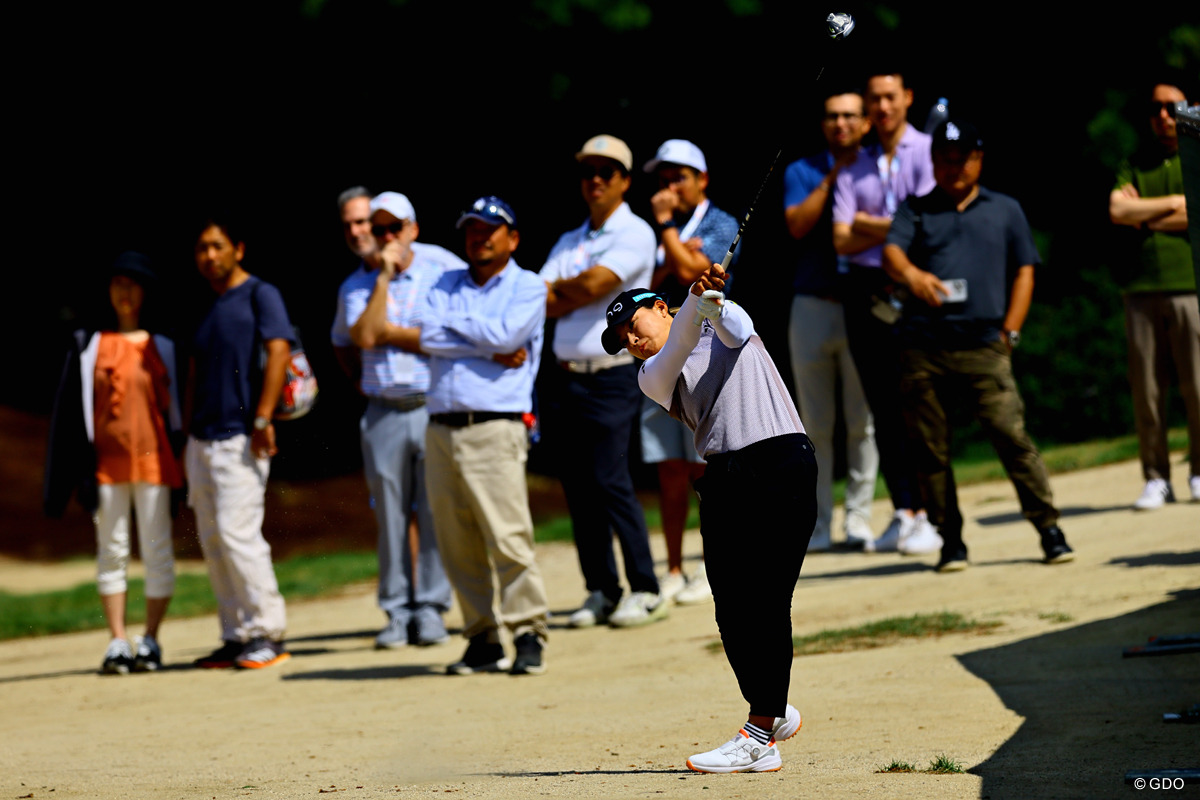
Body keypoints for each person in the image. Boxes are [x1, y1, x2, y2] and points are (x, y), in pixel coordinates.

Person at [599, 265, 814, 774]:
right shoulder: (652, 375)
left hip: (781, 461)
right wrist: (695, 304)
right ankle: (772, 710)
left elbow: (736, 328)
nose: (631, 340)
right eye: (622, 339)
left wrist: (709, 300)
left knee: (765, 600)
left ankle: (760, 731)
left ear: (659, 307)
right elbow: (673, 350)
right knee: (730, 609)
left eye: (634, 324)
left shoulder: (726, 324)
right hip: (724, 477)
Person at [882, 119, 1074, 572]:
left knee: (1011, 436)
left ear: (979, 159)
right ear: (932, 162)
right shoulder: (915, 209)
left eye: (963, 158)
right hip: (924, 347)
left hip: (986, 344)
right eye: (945, 159)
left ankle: (1049, 528)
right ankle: (951, 541)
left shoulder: (1004, 209)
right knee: (931, 450)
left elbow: (1025, 269)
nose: (954, 167)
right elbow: (892, 253)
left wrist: (1011, 329)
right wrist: (913, 276)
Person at [420, 196, 552, 676]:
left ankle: (528, 632)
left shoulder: (529, 285)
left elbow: (508, 337)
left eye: (490, 228)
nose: (480, 236)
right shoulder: (444, 281)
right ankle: (482, 637)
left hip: (495, 426)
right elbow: (426, 335)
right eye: (472, 229)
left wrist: (476, 338)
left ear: (512, 238)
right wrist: (489, 345)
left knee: (507, 535)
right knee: (456, 541)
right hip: (440, 428)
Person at [540, 134, 665, 628]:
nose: (594, 180)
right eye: (587, 171)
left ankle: (645, 587)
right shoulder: (570, 239)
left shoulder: (635, 232)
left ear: (624, 181)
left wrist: (568, 291)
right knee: (578, 486)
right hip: (568, 376)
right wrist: (572, 290)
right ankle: (601, 589)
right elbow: (540, 297)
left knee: (611, 480)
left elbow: (592, 286)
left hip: (612, 377)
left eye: (605, 172)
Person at [331, 191, 460, 648]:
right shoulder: (357, 285)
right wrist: (383, 276)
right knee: (388, 517)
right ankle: (395, 612)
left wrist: (395, 336)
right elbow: (361, 337)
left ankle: (430, 609)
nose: (384, 237)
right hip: (382, 410)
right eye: (377, 229)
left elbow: (445, 339)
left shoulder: (442, 268)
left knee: (433, 513)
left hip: (430, 404)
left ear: (412, 229)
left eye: (392, 228)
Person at [44, 252, 182, 674]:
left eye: (133, 283)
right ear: (108, 291)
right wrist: (73, 472)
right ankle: (118, 639)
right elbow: (73, 413)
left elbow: (176, 413)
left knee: (158, 549)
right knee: (112, 551)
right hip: (105, 465)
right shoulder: (90, 345)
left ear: (145, 292)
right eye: (118, 283)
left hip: (155, 464)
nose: (125, 292)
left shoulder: (164, 345)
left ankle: (151, 639)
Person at [831, 69, 941, 555]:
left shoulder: (928, 150)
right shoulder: (855, 163)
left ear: (907, 98)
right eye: (873, 99)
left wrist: (868, 224)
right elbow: (839, 237)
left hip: (912, 285)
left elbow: (927, 226)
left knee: (918, 401)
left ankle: (933, 512)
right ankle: (904, 510)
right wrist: (896, 225)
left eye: (889, 97)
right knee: (881, 404)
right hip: (863, 290)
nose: (881, 107)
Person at [187, 217, 291, 669]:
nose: (209, 256)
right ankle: (235, 633)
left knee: (238, 534)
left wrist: (265, 417)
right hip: (202, 437)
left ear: (238, 249)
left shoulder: (259, 294)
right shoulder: (208, 305)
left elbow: (280, 350)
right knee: (213, 538)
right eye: (202, 249)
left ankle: (267, 630)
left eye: (217, 246)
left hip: (241, 437)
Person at [641, 139, 740, 604]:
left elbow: (694, 275)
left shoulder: (719, 222)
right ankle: (675, 567)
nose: (668, 188)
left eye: (678, 177)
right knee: (669, 468)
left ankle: (713, 561)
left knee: (708, 463)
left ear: (701, 180)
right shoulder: (665, 229)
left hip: (706, 357)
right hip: (662, 359)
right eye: (662, 180)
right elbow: (645, 289)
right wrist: (671, 245)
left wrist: (668, 235)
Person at [783, 87, 880, 552]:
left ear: (866, 122)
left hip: (865, 303)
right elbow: (797, 224)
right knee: (813, 424)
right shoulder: (802, 170)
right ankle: (819, 523)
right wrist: (833, 178)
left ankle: (859, 519)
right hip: (812, 304)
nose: (840, 123)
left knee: (863, 420)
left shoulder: (881, 166)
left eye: (849, 116)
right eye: (831, 116)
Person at [1108, 78, 1199, 508]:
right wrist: (1174, 208)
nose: (1162, 115)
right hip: (1141, 289)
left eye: (1171, 106)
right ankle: (1156, 477)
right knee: (1146, 389)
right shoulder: (1134, 161)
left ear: (1190, 107)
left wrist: (1142, 215)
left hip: (1190, 286)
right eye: (1155, 108)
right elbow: (1116, 209)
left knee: (1197, 385)